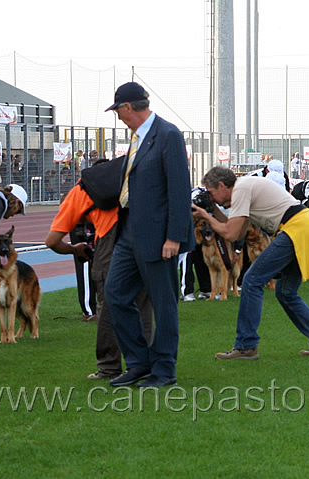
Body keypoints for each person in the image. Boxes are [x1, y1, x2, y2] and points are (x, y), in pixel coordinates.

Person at [104, 82, 195, 388]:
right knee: (115, 294)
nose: (118, 117)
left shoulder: (167, 135)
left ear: (128, 107)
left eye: (118, 111)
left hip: (158, 236)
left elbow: (180, 190)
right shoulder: (136, 139)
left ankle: (164, 368)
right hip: (129, 231)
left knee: (163, 303)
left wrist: (174, 237)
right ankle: (140, 363)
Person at [193, 166, 309, 359]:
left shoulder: (241, 189)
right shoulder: (244, 188)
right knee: (286, 292)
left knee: (252, 280)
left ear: (221, 185)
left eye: (211, 193)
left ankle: (246, 346)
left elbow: (231, 234)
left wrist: (205, 215)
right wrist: (212, 210)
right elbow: (237, 230)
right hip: (304, 227)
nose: (211, 198)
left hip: (296, 228)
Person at [45, 164, 154, 380]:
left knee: (108, 304)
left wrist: (73, 249)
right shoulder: (127, 181)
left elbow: (52, 241)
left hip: (111, 241)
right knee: (142, 302)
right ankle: (146, 364)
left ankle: (108, 367)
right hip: (144, 233)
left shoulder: (79, 191)